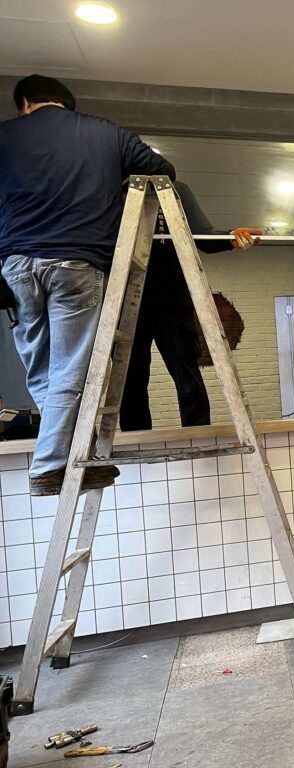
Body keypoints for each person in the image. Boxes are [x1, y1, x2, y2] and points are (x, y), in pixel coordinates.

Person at [0, 75, 175, 496]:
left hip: (16, 265)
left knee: (43, 369)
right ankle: (50, 465)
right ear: (67, 104)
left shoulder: (5, 135)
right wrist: (111, 183)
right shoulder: (105, 132)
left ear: (25, 103)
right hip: (77, 261)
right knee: (70, 369)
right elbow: (163, 172)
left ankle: (73, 458)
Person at [119, 181, 260, 431]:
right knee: (131, 377)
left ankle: (198, 433)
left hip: (173, 297)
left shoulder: (173, 189)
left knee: (185, 373)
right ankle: (135, 437)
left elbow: (201, 236)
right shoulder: (115, 188)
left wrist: (231, 238)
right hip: (129, 298)